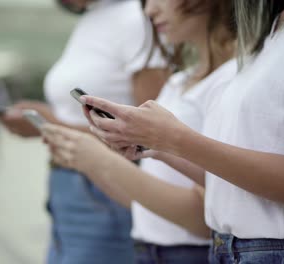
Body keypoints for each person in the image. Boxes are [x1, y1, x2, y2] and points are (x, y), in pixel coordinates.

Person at [65, 0, 284, 263]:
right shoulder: (276, 25)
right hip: (229, 248)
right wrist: (159, 148)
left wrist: (173, 139)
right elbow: (242, 187)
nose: (148, 11)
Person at [42, 0, 236, 263]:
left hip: (185, 251)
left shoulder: (227, 82)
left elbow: (204, 215)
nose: (148, 10)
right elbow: (143, 201)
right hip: (148, 245)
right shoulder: (179, 83)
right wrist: (92, 161)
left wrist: (99, 159)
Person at [0, 0, 168, 263]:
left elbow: (152, 139)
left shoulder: (136, 18)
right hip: (67, 187)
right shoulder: (93, 19)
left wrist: (50, 124)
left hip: (105, 191)